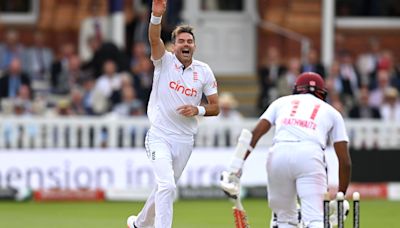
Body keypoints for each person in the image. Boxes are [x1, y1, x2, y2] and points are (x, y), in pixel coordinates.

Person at [126, 0, 220, 228]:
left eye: (189, 41)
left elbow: (215, 107)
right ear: (174, 45)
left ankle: (139, 224)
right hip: (159, 135)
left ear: (194, 46)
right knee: (167, 186)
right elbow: (153, 39)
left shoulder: (203, 71)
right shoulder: (164, 61)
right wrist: (156, 16)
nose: (185, 44)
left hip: (185, 140)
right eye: (181, 41)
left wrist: (196, 109)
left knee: (163, 188)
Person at [220, 72, 351, 228]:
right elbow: (345, 161)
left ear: (296, 89)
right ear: (322, 93)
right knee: (315, 219)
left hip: (278, 153)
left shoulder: (281, 102)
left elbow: (254, 135)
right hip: (310, 155)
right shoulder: (332, 112)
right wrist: (341, 196)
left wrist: (235, 167)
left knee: (284, 220)